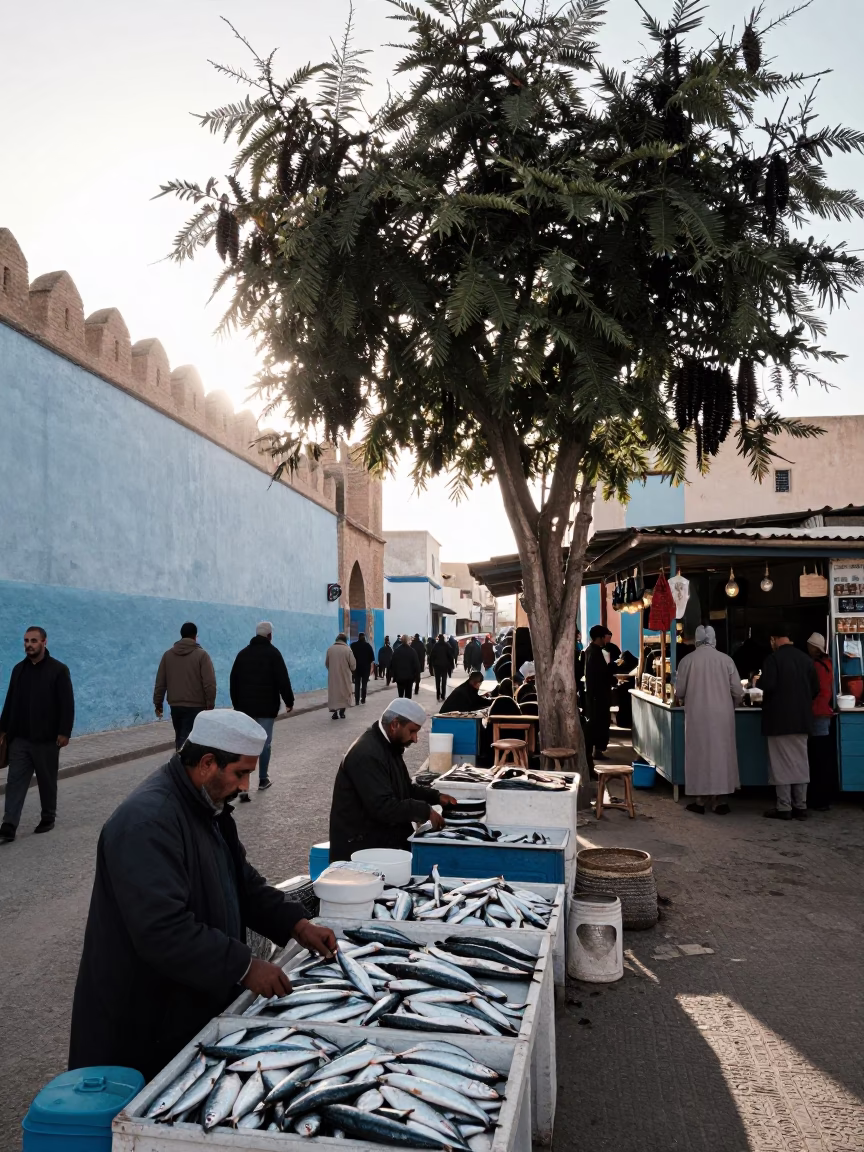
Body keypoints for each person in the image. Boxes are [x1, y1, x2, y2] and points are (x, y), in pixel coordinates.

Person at [68, 709, 337, 1082]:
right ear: (208, 763)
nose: (245, 786)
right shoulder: (147, 822)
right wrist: (244, 966)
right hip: (142, 1021)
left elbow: (242, 882)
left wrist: (295, 922)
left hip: (185, 1002)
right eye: (241, 773)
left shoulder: (207, 807)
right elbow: (163, 930)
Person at [329, 698, 458, 862]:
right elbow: (383, 807)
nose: (415, 738)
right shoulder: (366, 754)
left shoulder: (389, 745)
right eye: (412, 731)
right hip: (360, 851)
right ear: (395, 724)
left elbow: (404, 788)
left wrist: (436, 797)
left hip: (379, 841)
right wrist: (424, 810)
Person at [0, 626, 75, 844]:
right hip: (20, 739)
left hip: (47, 739)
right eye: (26, 641)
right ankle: (9, 825)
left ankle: (48, 816)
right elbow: (10, 701)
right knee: (14, 781)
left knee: (47, 780)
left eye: (33, 640)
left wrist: (64, 732)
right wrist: (2, 729)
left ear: (44, 642)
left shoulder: (58, 670)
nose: (29, 645)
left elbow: (66, 704)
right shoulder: (18, 670)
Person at [674, 625, 744, 815]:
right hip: (723, 716)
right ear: (714, 640)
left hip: (697, 716)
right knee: (722, 755)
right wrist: (733, 705)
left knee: (699, 755)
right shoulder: (726, 660)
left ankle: (700, 800)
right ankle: (720, 801)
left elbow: (679, 691)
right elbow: (738, 691)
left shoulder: (687, 661)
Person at [759, 624, 819, 820]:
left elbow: (768, 685)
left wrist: (757, 682)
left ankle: (784, 807)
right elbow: (815, 690)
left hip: (778, 720)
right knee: (801, 763)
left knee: (780, 764)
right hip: (802, 719)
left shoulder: (773, 660)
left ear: (775, 639)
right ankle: (801, 806)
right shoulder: (806, 660)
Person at [229, 622, 294, 799]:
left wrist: (236, 705)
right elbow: (283, 679)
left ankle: (243, 786)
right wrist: (289, 701)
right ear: (270, 636)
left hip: (245, 708)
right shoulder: (274, 654)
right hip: (267, 707)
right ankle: (263, 779)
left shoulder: (242, 655)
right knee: (264, 744)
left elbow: (233, 681)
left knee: (246, 744)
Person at [154, 622, 217, 750]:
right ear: (195, 636)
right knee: (192, 740)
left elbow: (160, 682)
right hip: (196, 706)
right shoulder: (202, 655)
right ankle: (184, 766)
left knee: (180, 737)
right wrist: (210, 705)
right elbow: (209, 683)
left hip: (175, 706)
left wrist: (158, 703)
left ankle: (181, 763)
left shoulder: (168, 655)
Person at [805, 632, 838, 810]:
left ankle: (818, 799)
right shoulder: (829, 663)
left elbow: (812, 690)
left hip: (816, 714)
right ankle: (825, 797)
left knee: (816, 759)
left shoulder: (815, 666)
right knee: (823, 758)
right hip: (825, 714)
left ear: (813, 647)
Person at [585, 624, 615, 760]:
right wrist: (611, 669)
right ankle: (597, 750)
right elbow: (601, 674)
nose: (606, 640)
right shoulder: (595, 653)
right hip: (599, 695)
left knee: (596, 723)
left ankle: (596, 749)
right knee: (600, 724)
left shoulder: (589, 651)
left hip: (593, 695)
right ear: (600, 637)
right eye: (605, 637)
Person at [325, 632, 356, 719]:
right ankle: (342, 712)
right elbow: (353, 665)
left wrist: (332, 670)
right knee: (344, 692)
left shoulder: (330, 649)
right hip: (345, 676)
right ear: (345, 640)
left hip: (333, 677)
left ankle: (334, 713)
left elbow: (327, 663)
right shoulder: (347, 650)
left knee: (334, 693)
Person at [350, 632, 376, 706]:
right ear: (364, 637)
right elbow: (372, 658)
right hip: (365, 669)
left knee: (357, 685)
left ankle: (357, 700)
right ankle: (363, 699)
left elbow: (350, 658)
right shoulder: (368, 646)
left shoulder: (353, 646)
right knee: (364, 684)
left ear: (358, 637)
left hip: (356, 668)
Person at [428, 634, 455, 701]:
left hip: (437, 666)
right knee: (444, 681)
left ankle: (438, 694)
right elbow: (450, 656)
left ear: (439, 639)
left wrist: (431, 665)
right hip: (445, 666)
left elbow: (432, 656)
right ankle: (443, 695)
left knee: (437, 680)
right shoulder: (447, 645)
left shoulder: (436, 646)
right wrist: (451, 665)